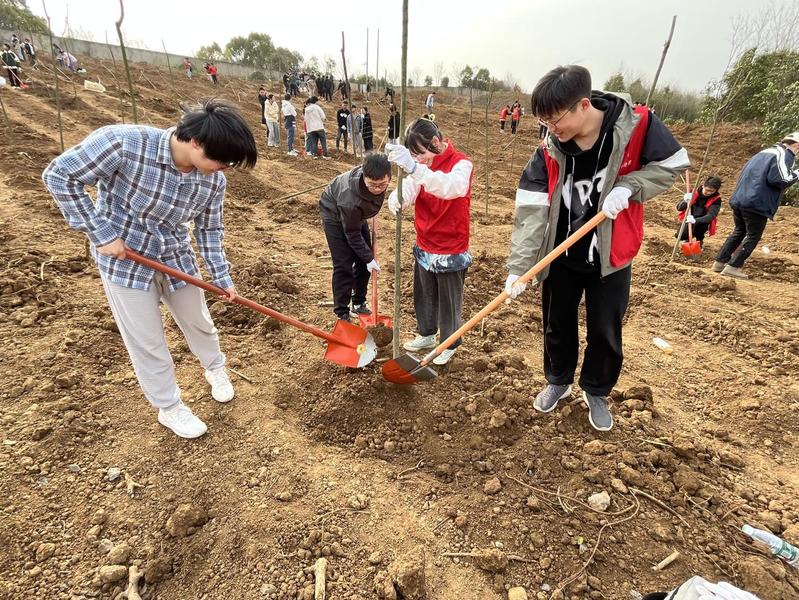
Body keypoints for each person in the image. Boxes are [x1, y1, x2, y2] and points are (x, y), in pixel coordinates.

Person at [41, 100, 258, 439]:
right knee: (147, 339)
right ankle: (169, 407)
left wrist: (221, 277)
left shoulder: (213, 180)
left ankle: (215, 368)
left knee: (199, 321)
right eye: (221, 161)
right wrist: (101, 233)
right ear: (196, 143)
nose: (223, 170)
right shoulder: (124, 143)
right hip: (125, 261)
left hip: (175, 254)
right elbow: (59, 175)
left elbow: (209, 229)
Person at [504, 65, 688, 431]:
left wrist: (631, 186)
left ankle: (596, 390)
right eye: (544, 122)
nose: (550, 129)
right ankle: (558, 381)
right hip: (561, 253)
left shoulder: (636, 125)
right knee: (557, 324)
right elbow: (531, 210)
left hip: (610, 254)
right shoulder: (549, 149)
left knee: (605, 329)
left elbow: (672, 165)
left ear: (583, 105)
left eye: (555, 120)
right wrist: (519, 267)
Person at [386, 119, 474, 366]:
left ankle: (449, 343)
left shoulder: (461, 164)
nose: (419, 159)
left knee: (448, 301)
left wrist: (415, 168)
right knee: (424, 294)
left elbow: (450, 188)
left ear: (435, 142)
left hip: (451, 245)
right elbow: (410, 187)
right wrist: (398, 198)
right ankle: (426, 334)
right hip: (425, 241)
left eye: (420, 153)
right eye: (413, 155)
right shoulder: (421, 167)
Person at [713, 132, 799, 279]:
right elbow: (780, 180)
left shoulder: (764, 152)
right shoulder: (783, 155)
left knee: (739, 231)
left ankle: (719, 262)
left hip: (741, 198)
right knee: (753, 236)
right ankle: (733, 267)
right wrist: (797, 173)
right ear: (796, 145)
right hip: (756, 202)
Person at [319, 153, 392, 321]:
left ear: (389, 177)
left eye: (382, 185)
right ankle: (342, 312)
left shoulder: (379, 177)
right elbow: (352, 233)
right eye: (372, 185)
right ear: (364, 176)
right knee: (343, 263)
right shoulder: (349, 200)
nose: (377, 189)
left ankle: (358, 302)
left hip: (356, 214)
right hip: (334, 213)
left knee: (364, 260)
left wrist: (367, 258)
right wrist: (369, 258)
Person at [676, 176, 722, 249]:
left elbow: (711, 216)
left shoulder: (716, 199)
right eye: (707, 190)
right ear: (703, 185)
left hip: (702, 220)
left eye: (712, 191)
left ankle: (699, 240)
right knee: (680, 236)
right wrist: (685, 201)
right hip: (689, 217)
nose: (709, 193)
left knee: (701, 228)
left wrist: (695, 220)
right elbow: (679, 208)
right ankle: (687, 238)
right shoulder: (693, 192)